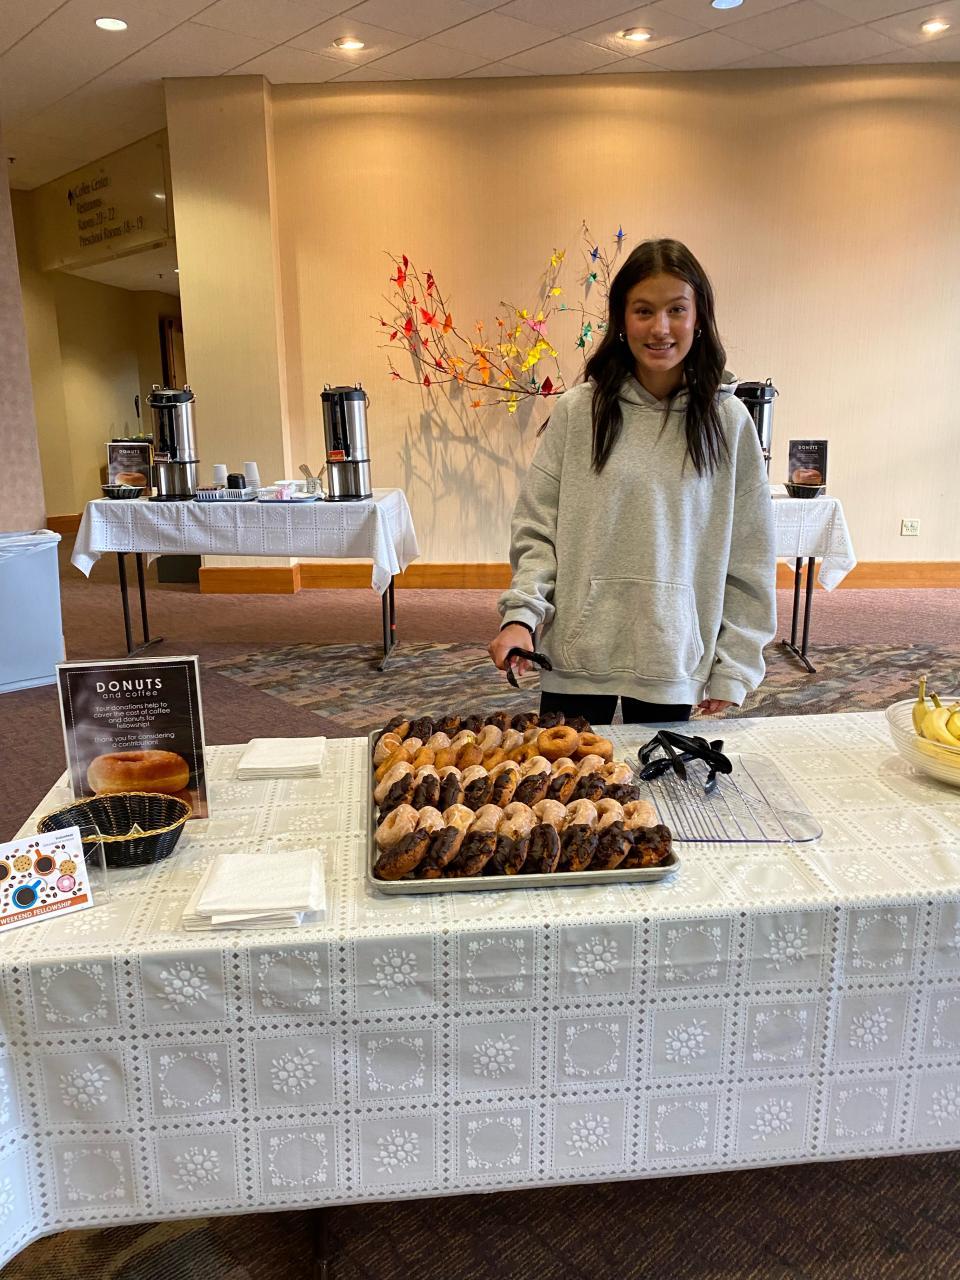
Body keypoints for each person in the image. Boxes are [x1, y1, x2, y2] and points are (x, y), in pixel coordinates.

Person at [488, 237, 777, 726]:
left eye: (676, 309)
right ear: (622, 320)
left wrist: (735, 666)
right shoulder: (578, 412)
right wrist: (522, 616)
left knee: (656, 778)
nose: (660, 328)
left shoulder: (728, 422)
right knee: (566, 773)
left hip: (672, 658)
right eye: (644, 310)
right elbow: (537, 530)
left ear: (699, 317)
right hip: (576, 660)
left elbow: (749, 558)